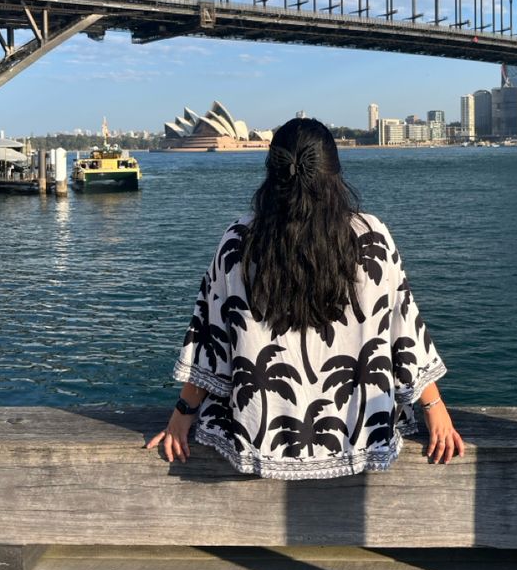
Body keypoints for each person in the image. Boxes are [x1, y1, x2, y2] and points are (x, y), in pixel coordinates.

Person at [146, 118, 464, 478]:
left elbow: (212, 338)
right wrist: (435, 408)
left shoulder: (238, 239)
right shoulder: (372, 235)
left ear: (272, 171)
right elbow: (403, 331)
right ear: (334, 171)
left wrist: (182, 415)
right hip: (358, 435)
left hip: (258, 438)